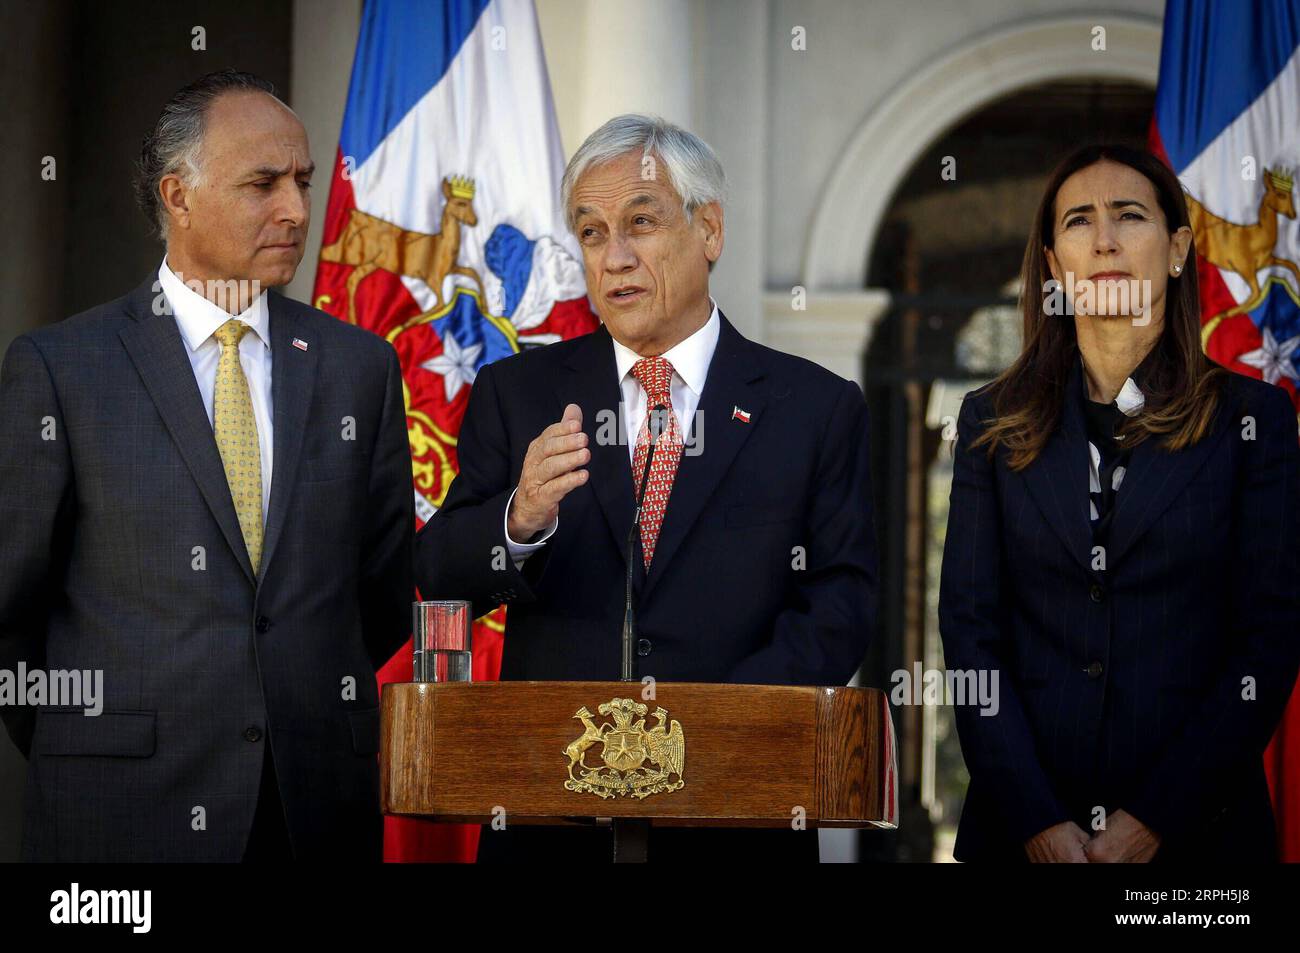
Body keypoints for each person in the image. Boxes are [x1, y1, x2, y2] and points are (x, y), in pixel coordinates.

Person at [415, 114, 877, 862]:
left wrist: (709, 730)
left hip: (734, 820)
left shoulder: (813, 408)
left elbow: (841, 604)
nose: (615, 256)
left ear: (710, 231)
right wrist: (519, 518)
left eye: (641, 223)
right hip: (551, 821)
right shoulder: (518, 392)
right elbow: (439, 574)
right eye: (592, 233)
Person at [0, 69, 414, 861]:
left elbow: (380, 593)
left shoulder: (361, 366)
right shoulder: (62, 368)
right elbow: (12, 610)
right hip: (121, 814)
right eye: (264, 183)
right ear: (177, 196)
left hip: (313, 810)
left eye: (302, 181)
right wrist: (90, 741)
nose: (297, 210)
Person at [939, 143, 1300, 863]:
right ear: (1053, 265)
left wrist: (1151, 821)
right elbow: (972, 637)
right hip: (1020, 834)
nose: (1103, 239)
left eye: (1128, 215)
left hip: (1202, 838)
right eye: (1079, 221)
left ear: (1175, 250)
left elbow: (1268, 639)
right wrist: (1038, 822)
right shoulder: (990, 421)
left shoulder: (1252, 420)